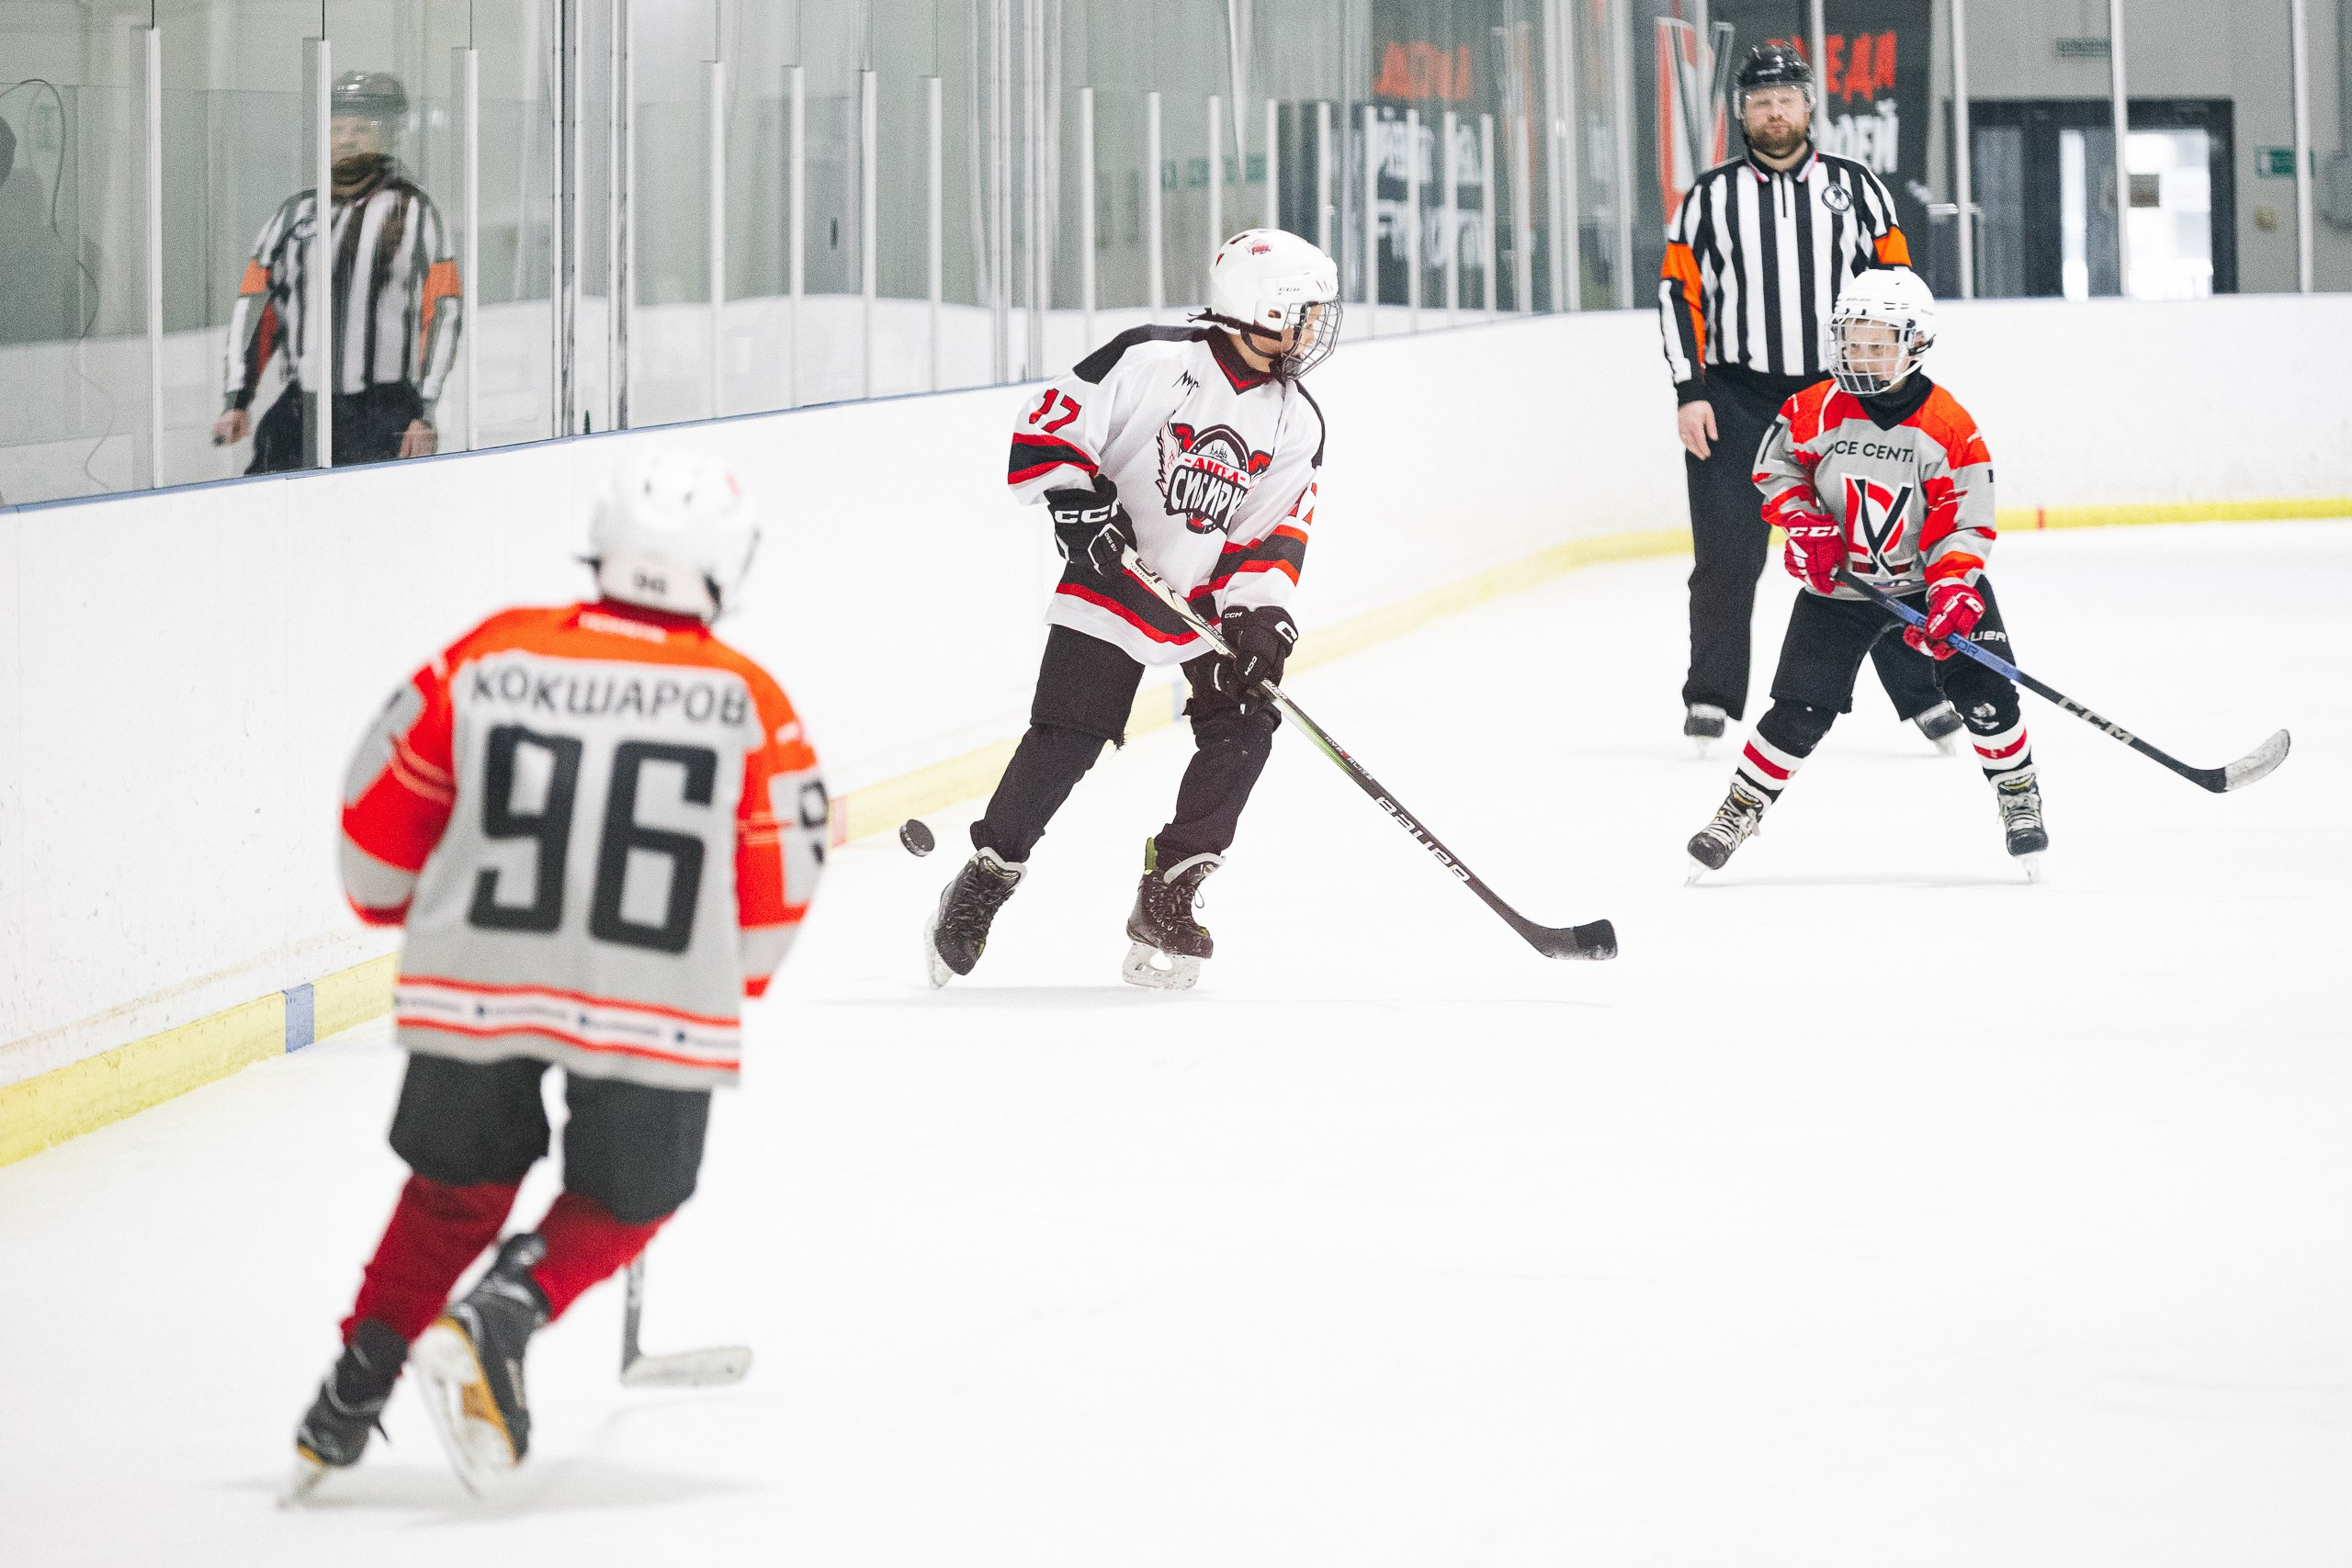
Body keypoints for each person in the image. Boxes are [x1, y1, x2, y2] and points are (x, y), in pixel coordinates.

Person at [285, 449, 828, 1499]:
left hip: (476, 971)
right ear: (726, 564)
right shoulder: (750, 699)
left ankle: (350, 1393)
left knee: (454, 1191)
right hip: (657, 993)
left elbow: (376, 826)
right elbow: (783, 874)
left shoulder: (490, 653)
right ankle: (504, 1312)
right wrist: (732, 978)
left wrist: (405, 911)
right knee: (633, 1194)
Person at [925, 228, 1339, 992]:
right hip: (1115, 580)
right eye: (1304, 313)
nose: (1315, 331)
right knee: (1066, 742)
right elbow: (1048, 425)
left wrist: (1261, 618)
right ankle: (985, 876)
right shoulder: (1153, 357)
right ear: (1260, 309)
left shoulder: (1296, 420)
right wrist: (1076, 499)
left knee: (1247, 723)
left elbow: (1276, 532)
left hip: (1204, 597)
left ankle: (1170, 888)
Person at [1684, 266, 2049, 876]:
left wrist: (1953, 588)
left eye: (1876, 343)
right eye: (1852, 340)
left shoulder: (1948, 426)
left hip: (1933, 588)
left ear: (1916, 345)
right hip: (1840, 591)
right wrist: (1806, 524)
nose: (1860, 354)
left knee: (1986, 697)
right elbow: (1777, 472)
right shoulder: (1813, 407)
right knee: (1798, 712)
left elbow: (1967, 521)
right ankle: (1740, 806)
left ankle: (2017, 792)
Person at [1658, 42, 1962, 756]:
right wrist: (1689, 391)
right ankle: (1711, 694)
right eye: (1761, 102)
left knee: (1876, 547)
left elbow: (1896, 291)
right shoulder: (1708, 197)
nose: (1774, 113)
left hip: (1840, 396)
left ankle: (1922, 695)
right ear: (1743, 112)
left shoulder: (1859, 189)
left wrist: (1893, 385)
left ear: (1808, 107)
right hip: (1733, 397)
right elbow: (1680, 294)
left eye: (1786, 100)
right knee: (1729, 554)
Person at [213, 72, 462, 472]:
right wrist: (238, 399)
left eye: (361, 129)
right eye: (337, 128)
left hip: (385, 412)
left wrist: (424, 410)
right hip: (302, 407)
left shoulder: (414, 213)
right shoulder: (294, 215)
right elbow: (260, 308)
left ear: (390, 136)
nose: (345, 139)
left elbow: (443, 313)